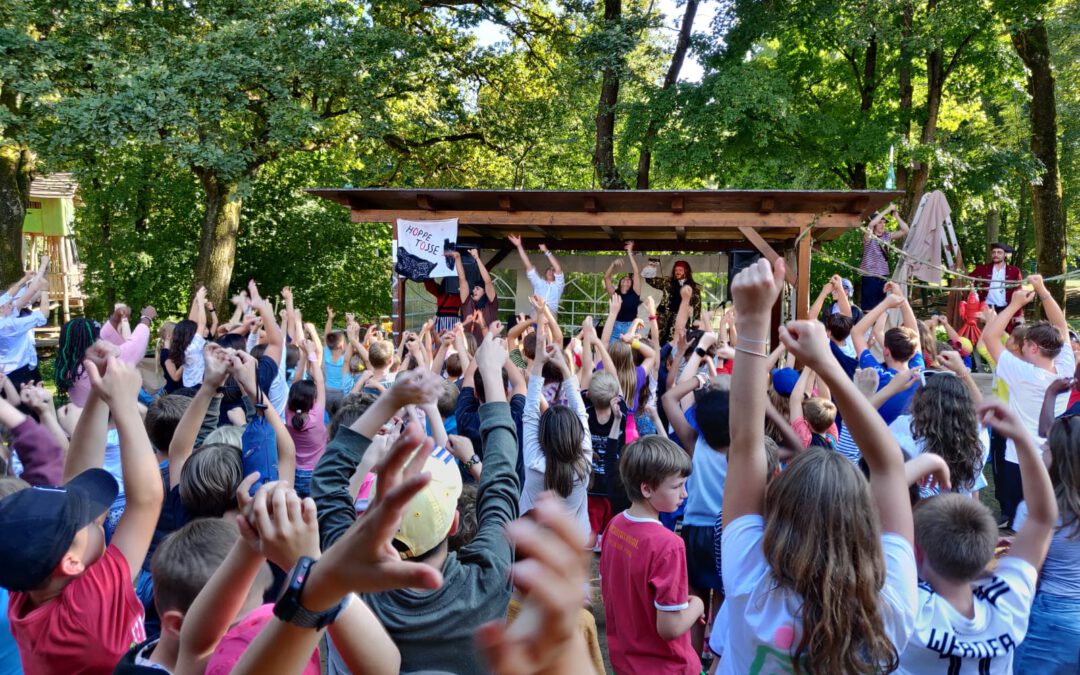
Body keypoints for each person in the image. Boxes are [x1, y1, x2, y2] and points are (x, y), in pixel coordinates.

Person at [720, 256, 917, 672]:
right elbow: (887, 467)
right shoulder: (891, 608)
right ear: (865, 521)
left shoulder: (750, 586)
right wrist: (826, 361)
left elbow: (744, 444)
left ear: (778, 511)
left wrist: (754, 323)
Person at [312, 341, 520, 675]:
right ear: (454, 524)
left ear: (376, 517)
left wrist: (391, 400)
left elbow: (326, 485)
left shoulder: (348, 580)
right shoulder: (486, 581)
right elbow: (501, 482)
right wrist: (492, 375)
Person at [1, 356, 164, 674]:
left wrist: (99, 397)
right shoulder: (86, 611)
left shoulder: (27, 587)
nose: (97, 518)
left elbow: (76, 479)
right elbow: (146, 500)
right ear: (71, 562)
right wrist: (126, 405)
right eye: (88, 522)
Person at [898, 399, 1057, 674]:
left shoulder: (908, 609)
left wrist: (928, 461)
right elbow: (1042, 520)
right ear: (990, 551)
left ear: (917, 551)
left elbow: (871, 505)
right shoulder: (1009, 604)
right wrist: (1020, 436)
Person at [599, 435, 700, 674]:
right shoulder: (669, 545)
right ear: (647, 488)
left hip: (625, 662)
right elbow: (670, 628)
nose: (684, 494)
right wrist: (697, 605)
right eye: (677, 486)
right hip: (667, 667)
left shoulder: (614, 525)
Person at [980, 274, 1073, 527]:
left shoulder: (1023, 374)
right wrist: (1042, 290)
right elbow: (1060, 324)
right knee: (1050, 517)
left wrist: (1014, 304)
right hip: (1055, 455)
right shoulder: (1065, 365)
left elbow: (990, 339)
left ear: (1033, 348)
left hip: (1021, 458)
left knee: (1025, 520)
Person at [1013, 415, 1080, 672]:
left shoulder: (1036, 512)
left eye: (1047, 446)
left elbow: (1029, 581)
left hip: (1052, 618)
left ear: (1061, 460)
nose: (1042, 449)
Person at [522, 312, 591, 536]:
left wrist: (538, 366)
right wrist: (565, 367)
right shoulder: (584, 465)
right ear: (577, 435)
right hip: (570, 545)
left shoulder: (533, 463)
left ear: (543, 435)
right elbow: (581, 412)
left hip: (531, 544)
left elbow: (531, 411)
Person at [0, 276, 49, 394]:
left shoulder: (5, 317)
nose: (13, 305)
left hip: (4, 372)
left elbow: (9, 295)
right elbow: (43, 315)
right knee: (24, 409)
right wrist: (45, 291)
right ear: (1, 308)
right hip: (18, 375)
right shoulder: (11, 325)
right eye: (10, 304)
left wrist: (26, 278)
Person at [859, 203, 909, 310]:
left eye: (884, 222)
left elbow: (905, 230)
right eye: (880, 222)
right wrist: (888, 209)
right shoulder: (869, 235)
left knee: (882, 307)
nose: (882, 225)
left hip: (883, 276)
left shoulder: (887, 236)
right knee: (869, 308)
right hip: (870, 275)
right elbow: (871, 224)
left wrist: (896, 216)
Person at [449, 248, 499, 343]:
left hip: (486, 349)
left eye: (478, 289)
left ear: (485, 292)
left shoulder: (491, 304)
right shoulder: (468, 302)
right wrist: (457, 259)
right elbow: (462, 279)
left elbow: (488, 282)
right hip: (468, 349)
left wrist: (477, 258)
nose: (474, 290)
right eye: (474, 288)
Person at [647, 259, 700, 344]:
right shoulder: (667, 282)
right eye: (675, 270)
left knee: (674, 345)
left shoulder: (694, 288)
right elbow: (650, 280)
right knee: (654, 342)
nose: (677, 272)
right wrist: (652, 267)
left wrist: (695, 329)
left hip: (680, 320)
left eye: (680, 270)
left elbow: (697, 310)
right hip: (663, 318)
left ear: (686, 271)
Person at [508, 235, 565, 313]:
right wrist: (519, 246)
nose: (551, 271)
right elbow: (528, 265)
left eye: (553, 270)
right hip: (537, 316)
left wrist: (546, 251)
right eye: (549, 269)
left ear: (556, 275)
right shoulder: (539, 283)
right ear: (545, 273)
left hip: (551, 318)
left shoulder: (559, 285)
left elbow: (558, 268)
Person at [603, 240, 642, 342]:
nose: (627, 279)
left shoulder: (635, 293)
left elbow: (636, 272)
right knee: (613, 353)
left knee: (630, 355)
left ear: (632, 283)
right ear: (620, 283)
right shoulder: (614, 293)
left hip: (631, 327)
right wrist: (613, 265)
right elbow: (606, 278)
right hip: (615, 325)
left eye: (629, 279)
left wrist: (629, 253)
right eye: (624, 278)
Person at [972, 242, 1023, 314]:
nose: (996, 255)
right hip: (986, 307)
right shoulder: (981, 269)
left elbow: (1018, 292)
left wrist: (1019, 313)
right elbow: (969, 282)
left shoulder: (1014, 271)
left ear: (1005, 254)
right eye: (993, 252)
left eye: (999, 252)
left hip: (1006, 308)